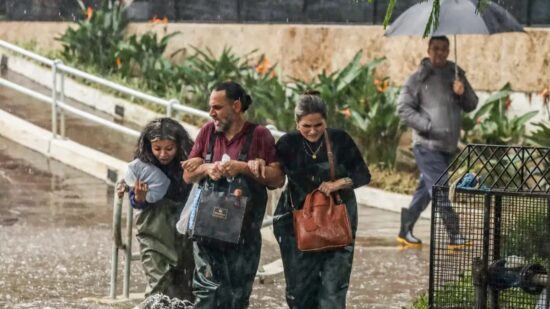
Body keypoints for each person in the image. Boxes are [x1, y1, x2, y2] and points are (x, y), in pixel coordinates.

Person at [183, 81, 284, 308]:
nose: (211, 113)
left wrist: (244, 167)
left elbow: (278, 178)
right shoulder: (207, 132)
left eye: (217, 107)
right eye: (211, 108)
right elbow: (188, 176)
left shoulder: (260, 135)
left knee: (237, 299)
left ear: (236, 106)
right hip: (206, 233)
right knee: (207, 295)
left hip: (244, 237)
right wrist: (208, 168)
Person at [272, 91, 371, 308]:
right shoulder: (287, 143)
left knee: (334, 288)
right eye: (306, 126)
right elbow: (275, 176)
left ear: (326, 120)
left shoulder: (340, 139)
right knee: (299, 290)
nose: (313, 131)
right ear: (297, 122)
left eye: (318, 125)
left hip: (337, 219)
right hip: (297, 221)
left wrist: (338, 183)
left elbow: (363, 174)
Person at [396, 36, 478, 248]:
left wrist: (462, 92)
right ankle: (455, 234)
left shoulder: (457, 75)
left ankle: (405, 231)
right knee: (440, 187)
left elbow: (472, 104)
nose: (440, 53)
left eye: (444, 49)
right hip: (426, 145)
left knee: (426, 189)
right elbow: (403, 108)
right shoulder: (418, 79)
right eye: (436, 49)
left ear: (449, 50)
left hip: (448, 146)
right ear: (429, 50)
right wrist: (428, 125)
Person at [124, 117, 196, 301]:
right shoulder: (143, 164)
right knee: (158, 287)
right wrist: (139, 198)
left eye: (169, 149)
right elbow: (135, 198)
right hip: (153, 234)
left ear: (179, 145)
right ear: (149, 147)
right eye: (157, 149)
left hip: (184, 233)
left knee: (186, 287)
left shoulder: (190, 161)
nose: (163, 154)